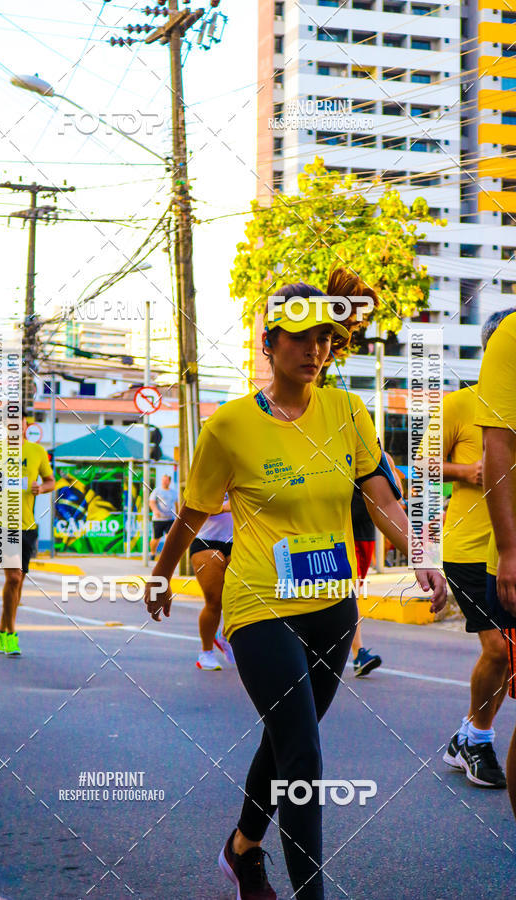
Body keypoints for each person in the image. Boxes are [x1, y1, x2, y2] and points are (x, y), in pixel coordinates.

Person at [144, 278, 446, 899]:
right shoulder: (230, 427)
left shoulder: (347, 412)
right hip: (260, 605)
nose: (314, 350)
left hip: (334, 607)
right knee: (304, 755)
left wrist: (420, 553)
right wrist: (159, 570)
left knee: (287, 741)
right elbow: (194, 512)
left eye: (325, 340)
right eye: (302, 338)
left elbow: (378, 492)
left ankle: (241, 848)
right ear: (269, 343)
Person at [441, 313, 515, 788]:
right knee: (498, 651)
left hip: (498, 541)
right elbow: (422, 463)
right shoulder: (458, 404)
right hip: (469, 547)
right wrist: (467, 472)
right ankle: (477, 738)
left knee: (503, 655)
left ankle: (467, 737)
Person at [474, 308, 516, 816]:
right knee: (495, 655)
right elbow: (497, 449)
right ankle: (475, 733)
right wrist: (509, 549)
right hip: (490, 553)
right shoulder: (511, 338)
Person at [0, 415, 55, 657]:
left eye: (21, 422)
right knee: (14, 578)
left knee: (18, 582)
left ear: (27, 426)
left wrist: (42, 488)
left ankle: (0, 629)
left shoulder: (37, 451)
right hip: (0, 522)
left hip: (27, 525)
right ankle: (10, 635)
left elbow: (51, 481)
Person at [350, 451, 403, 676]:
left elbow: (396, 496)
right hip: (339, 532)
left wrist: (388, 464)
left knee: (350, 593)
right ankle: (358, 653)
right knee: (346, 593)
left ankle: (355, 653)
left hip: (364, 533)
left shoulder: (378, 454)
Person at [190, 493, 234, 670]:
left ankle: (224, 635)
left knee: (240, 598)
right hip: (207, 541)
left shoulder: (245, 473)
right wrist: (224, 507)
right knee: (214, 601)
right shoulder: (208, 475)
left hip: (238, 541)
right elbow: (190, 511)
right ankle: (206, 652)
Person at [149, 473, 178, 560]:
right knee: (156, 539)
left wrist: (178, 515)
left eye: (166, 480)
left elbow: (177, 504)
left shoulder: (173, 492)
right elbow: (152, 502)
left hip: (170, 519)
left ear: (169, 481)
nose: (164, 482)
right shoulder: (157, 491)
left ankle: (166, 556)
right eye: (163, 480)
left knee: (169, 537)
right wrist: (155, 510)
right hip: (158, 519)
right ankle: (153, 553)